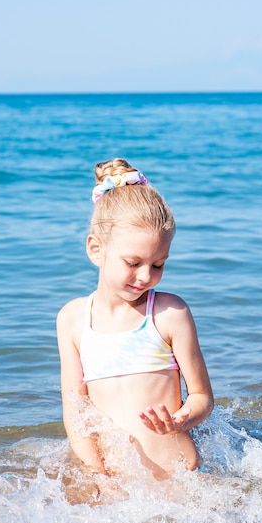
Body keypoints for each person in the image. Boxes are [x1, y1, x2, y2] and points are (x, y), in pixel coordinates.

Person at [57, 158, 214, 481]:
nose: (146, 276)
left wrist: (180, 420)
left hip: (182, 478)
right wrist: (96, 476)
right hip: (119, 485)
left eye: (158, 264)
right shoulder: (73, 319)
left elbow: (202, 397)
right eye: (133, 262)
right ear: (96, 249)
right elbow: (76, 413)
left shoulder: (169, 314)